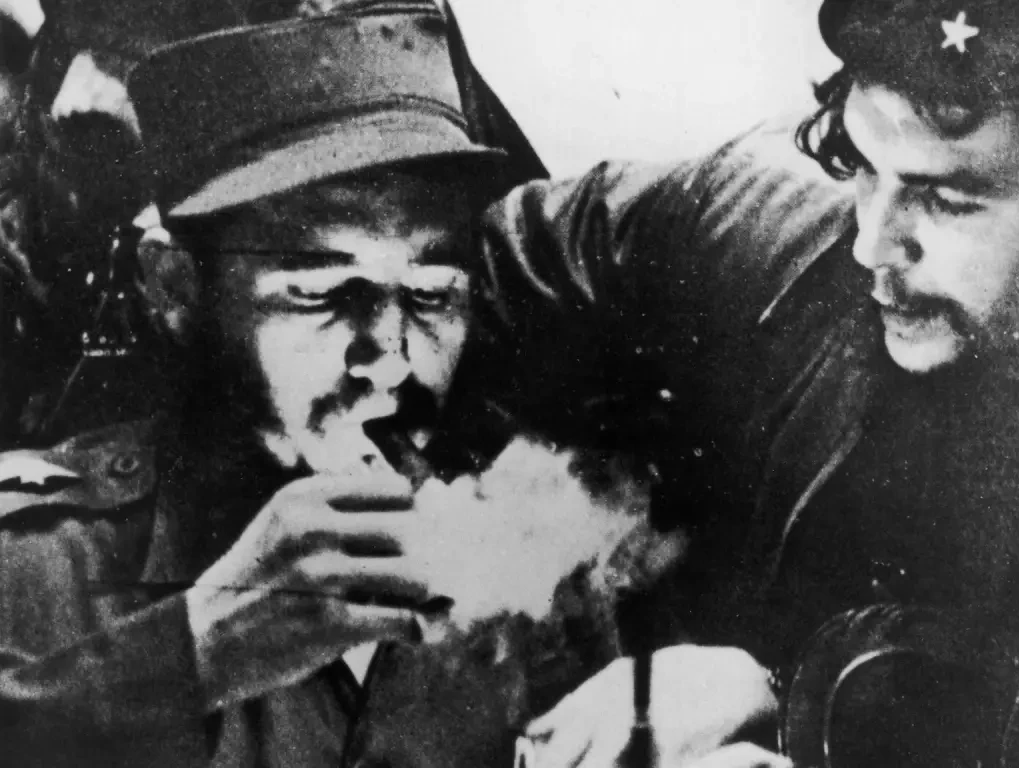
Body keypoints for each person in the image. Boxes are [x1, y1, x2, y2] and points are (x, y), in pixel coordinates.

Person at [464, 0, 1019, 765]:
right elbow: (475, 269)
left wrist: (786, 708)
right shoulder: (770, 220)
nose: (871, 244)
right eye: (861, 165)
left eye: (948, 200)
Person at [0, 8, 680, 768]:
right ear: (176, 289)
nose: (390, 359)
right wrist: (195, 653)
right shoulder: (32, 562)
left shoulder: (539, 572)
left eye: (431, 294)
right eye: (321, 293)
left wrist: (742, 692)